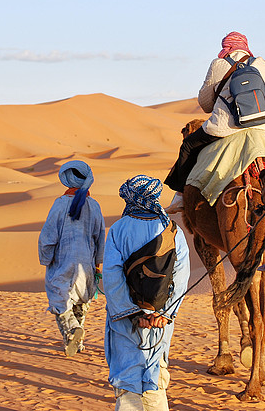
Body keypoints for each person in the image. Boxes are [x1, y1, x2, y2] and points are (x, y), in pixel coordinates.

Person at [164, 31, 265, 212]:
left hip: (225, 128)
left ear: (226, 48)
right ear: (246, 46)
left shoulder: (219, 64)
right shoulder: (262, 64)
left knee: (188, 146)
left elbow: (205, 104)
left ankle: (180, 196)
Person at [103, 175, 190, 410]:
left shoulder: (119, 229)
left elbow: (111, 275)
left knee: (127, 375)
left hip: (125, 319)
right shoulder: (172, 230)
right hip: (160, 317)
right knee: (156, 373)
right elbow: (181, 277)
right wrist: (166, 314)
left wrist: (130, 313)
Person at [38, 160, 106, 356]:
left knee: (60, 299)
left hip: (63, 260)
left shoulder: (60, 204)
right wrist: (97, 262)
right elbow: (100, 236)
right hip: (87, 262)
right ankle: (77, 341)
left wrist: (46, 257)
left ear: (67, 180)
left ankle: (72, 331)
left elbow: (48, 235)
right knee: (80, 302)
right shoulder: (94, 205)